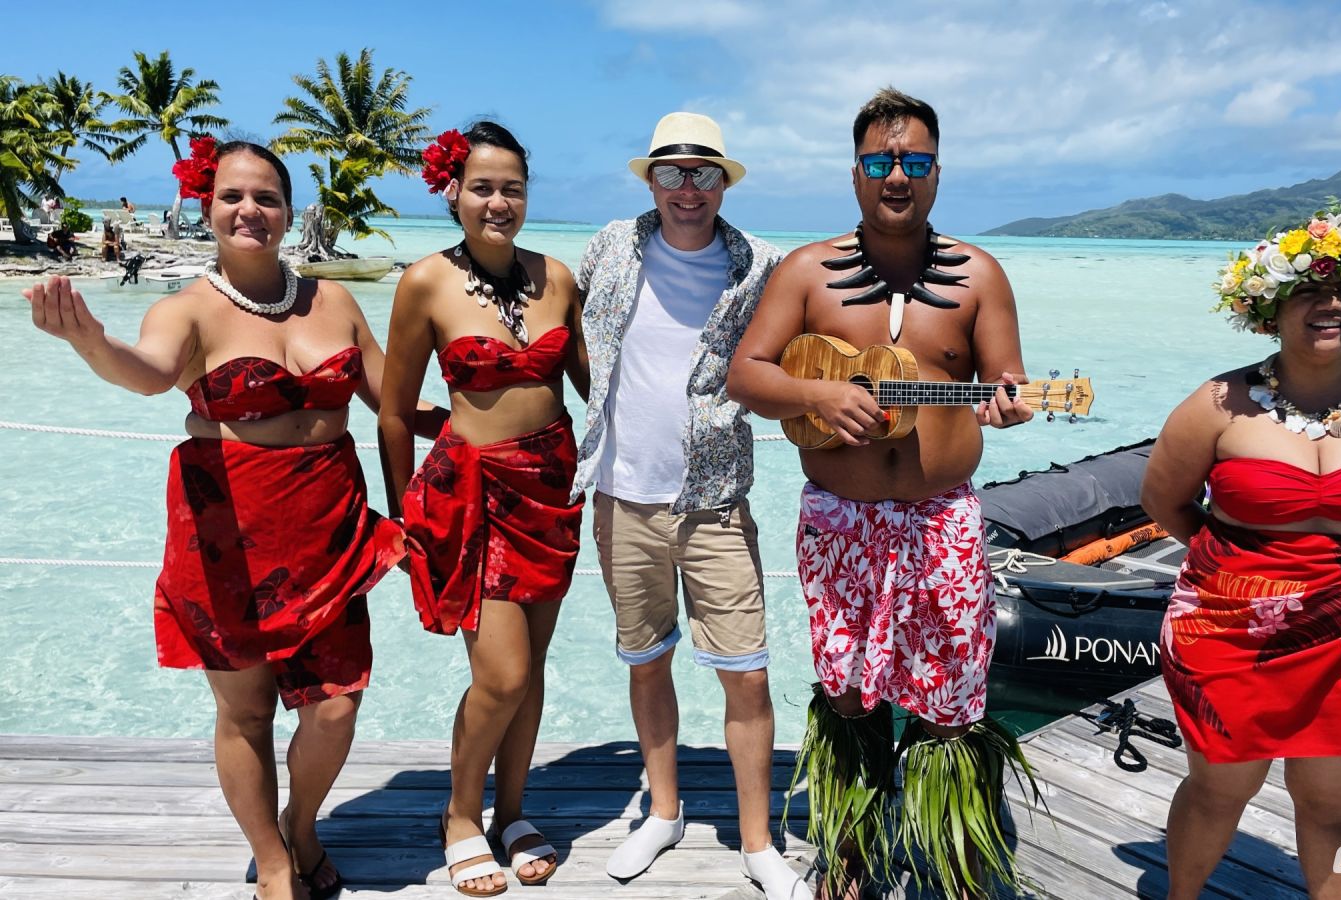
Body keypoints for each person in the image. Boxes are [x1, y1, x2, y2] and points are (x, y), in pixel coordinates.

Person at [23, 140, 430, 900]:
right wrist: (89, 341)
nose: (250, 211)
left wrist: (492, 419)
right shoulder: (185, 309)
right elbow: (148, 373)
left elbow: (391, 399)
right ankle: (272, 860)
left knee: (336, 708)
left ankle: (301, 824)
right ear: (207, 208)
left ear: (288, 211)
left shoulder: (334, 302)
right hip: (228, 538)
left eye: (266, 198)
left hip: (330, 529)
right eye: (232, 197)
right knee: (247, 713)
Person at [727, 87, 1035, 900]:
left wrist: (1009, 404)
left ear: (937, 172)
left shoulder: (979, 274)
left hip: (944, 520)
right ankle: (853, 852)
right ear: (856, 171)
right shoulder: (806, 271)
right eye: (880, 161)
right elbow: (746, 374)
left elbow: (1008, 382)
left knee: (949, 691)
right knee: (847, 689)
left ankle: (949, 853)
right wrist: (817, 396)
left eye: (916, 161)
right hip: (840, 520)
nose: (897, 175)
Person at [1139, 203, 1341, 900]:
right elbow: (1163, 501)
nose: (1329, 304)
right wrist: (1236, 573)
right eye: (1307, 288)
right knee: (1218, 790)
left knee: (1331, 802)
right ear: (1269, 308)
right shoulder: (1217, 403)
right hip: (1226, 628)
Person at [570, 111, 802, 900]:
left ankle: (758, 842)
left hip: (716, 500)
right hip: (621, 498)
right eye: (672, 172)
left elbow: (802, 353)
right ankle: (663, 812)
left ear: (723, 182)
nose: (688, 188)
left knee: (748, 675)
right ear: (652, 181)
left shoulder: (761, 265)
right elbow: (569, 332)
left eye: (703, 172)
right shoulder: (609, 246)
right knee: (647, 661)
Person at [377, 122, 586, 898]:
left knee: (531, 672)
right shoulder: (425, 282)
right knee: (501, 674)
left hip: (552, 488)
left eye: (513, 189)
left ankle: (513, 811)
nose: (499, 202)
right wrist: (402, 515)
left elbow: (602, 387)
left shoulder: (557, 278)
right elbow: (394, 410)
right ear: (454, 193)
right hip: (475, 495)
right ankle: (461, 814)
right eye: (483, 187)